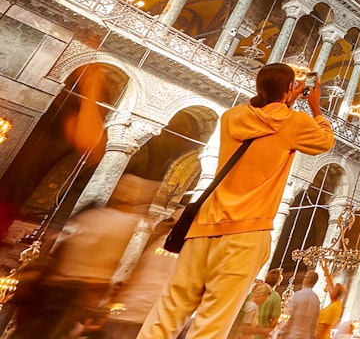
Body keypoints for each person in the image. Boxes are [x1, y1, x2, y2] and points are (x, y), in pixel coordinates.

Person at [137, 64, 333, 339]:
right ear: (291, 89)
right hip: (246, 235)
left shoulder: (233, 116)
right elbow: (325, 141)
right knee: (212, 323)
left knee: (168, 311)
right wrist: (315, 107)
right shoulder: (294, 122)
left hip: (203, 229)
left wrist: (284, 99)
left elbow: (260, 113)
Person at [13, 173, 156, 339]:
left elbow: (64, 246)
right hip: (78, 292)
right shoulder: (128, 222)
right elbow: (110, 264)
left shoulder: (91, 215)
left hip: (54, 284)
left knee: (33, 331)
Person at [279, 272, 323, 339]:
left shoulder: (298, 295)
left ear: (306, 279)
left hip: (291, 334)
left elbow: (288, 316)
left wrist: (280, 332)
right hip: (306, 336)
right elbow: (314, 323)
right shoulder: (316, 299)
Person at [256, 269, 285, 338]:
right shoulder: (275, 297)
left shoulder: (255, 291)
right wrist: (268, 331)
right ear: (278, 282)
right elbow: (275, 320)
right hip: (260, 334)